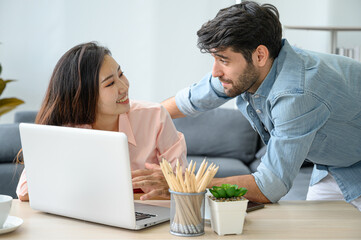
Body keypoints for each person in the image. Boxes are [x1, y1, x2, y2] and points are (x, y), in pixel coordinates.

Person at [162, 1, 361, 210]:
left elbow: (270, 186)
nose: (215, 72)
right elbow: (190, 100)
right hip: (336, 166)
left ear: (260, 55)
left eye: (224, 60)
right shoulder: (246, 72)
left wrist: (184, 185)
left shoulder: (296, 95)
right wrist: (138, 118)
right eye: (215, 58)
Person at [17, 42, 187, 201]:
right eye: (110, 83)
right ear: (85, 96)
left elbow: (187, 188)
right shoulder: (67, 130)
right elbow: (25, 191)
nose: (124, 86)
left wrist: (171, 185)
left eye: (121, 74)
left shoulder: (155, 116)